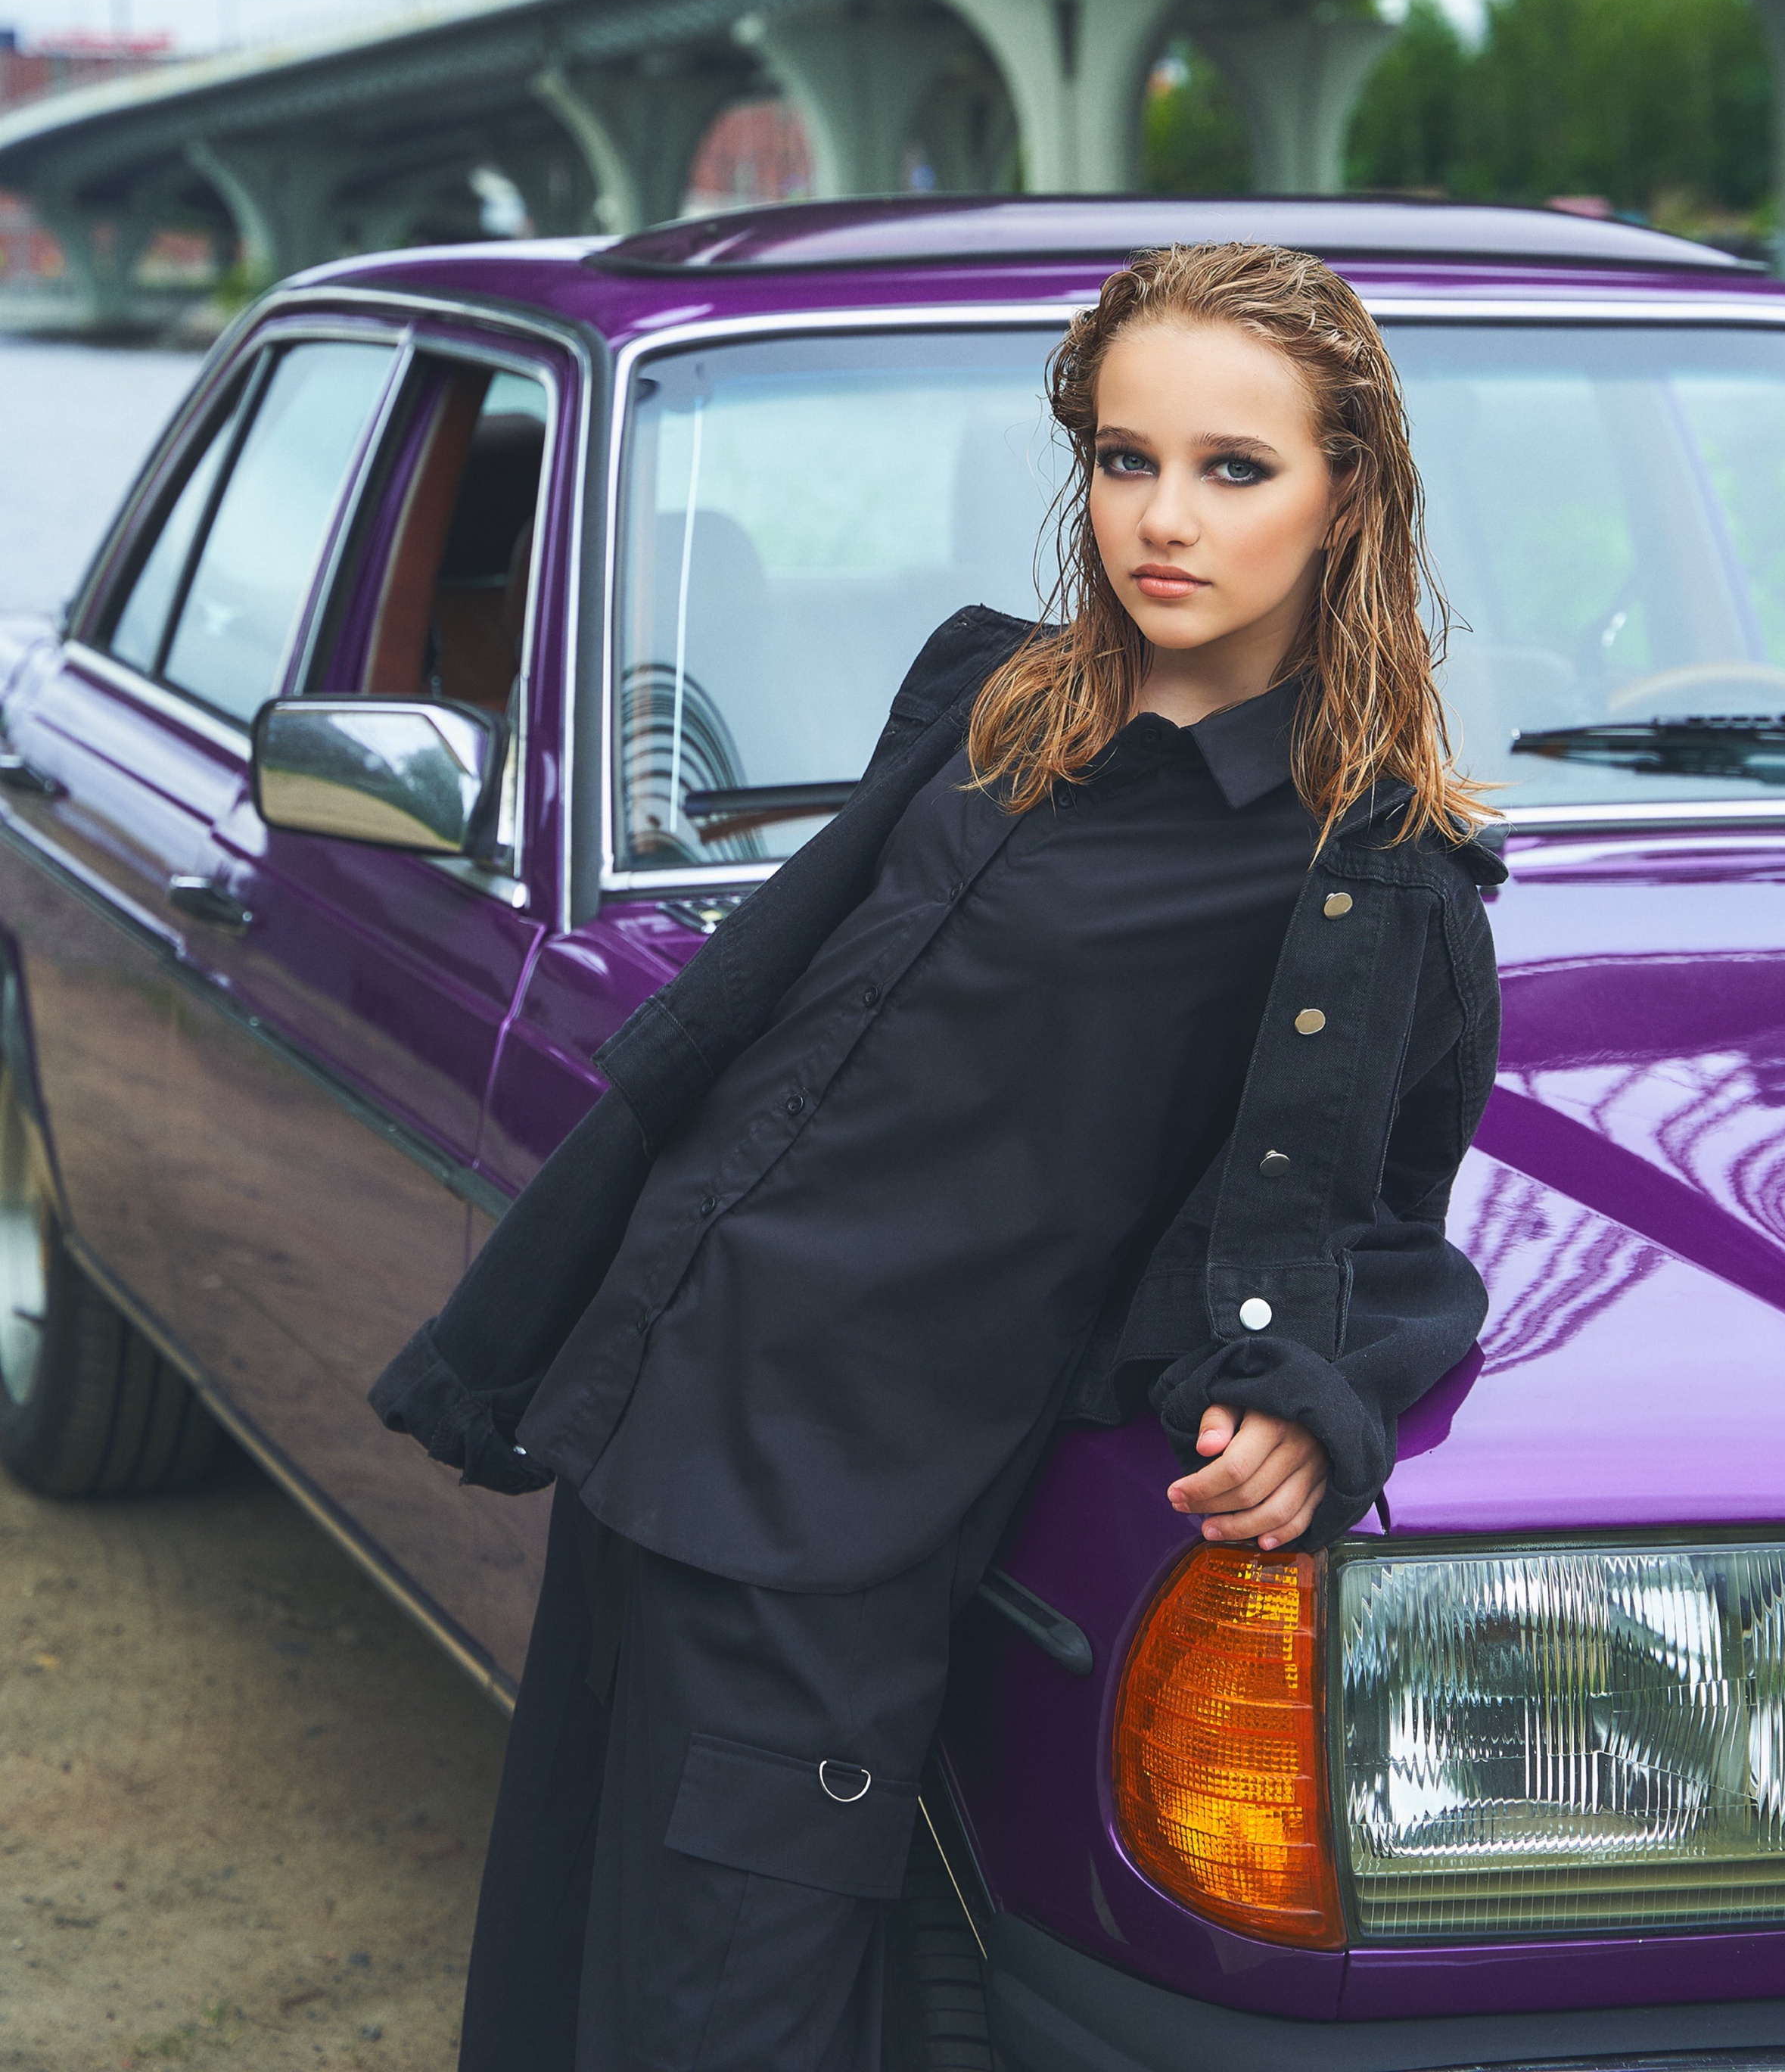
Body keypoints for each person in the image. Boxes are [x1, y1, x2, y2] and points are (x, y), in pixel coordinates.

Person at [372, 238, 1504, 2072]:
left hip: (848, 1507)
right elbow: (774, 1017)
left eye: (1235, 469)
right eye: (1125, 460)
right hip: (657, 1405)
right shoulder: (992, 700)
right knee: (567, 1950)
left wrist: (1311, 1389)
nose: (1164, 518)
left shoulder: (1361, 877)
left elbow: (1377, 1212)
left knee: (729, 2013)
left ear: (1346, 488)